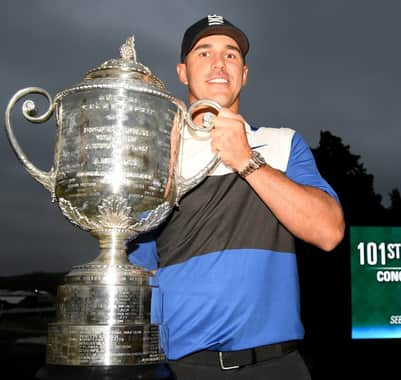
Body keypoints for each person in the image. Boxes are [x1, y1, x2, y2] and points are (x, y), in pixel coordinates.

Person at [128, 13, 345, 379]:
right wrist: (163, 171)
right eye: (204, 52)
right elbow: (140, 273)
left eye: (231, 55)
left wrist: (246, 160)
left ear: (244, 74)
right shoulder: (159, 159)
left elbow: (329, 232)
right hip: (183, 369)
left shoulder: (283, 143)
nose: (218, 63)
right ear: (182, 72)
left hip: (277, 366)